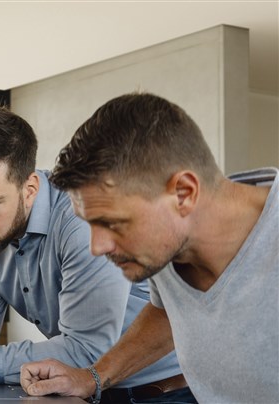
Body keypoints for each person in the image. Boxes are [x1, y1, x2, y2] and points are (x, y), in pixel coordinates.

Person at [0, 102, 195, 403]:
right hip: (77, 390)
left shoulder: (80, 220)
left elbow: (86, 351)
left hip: (163, 393)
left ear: (29, 189)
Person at [20, 93, 278, 403]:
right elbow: (166, 310)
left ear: (184, 193)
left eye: (113, 223)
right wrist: (95, 376)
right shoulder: (170, 242)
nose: (97, 247)